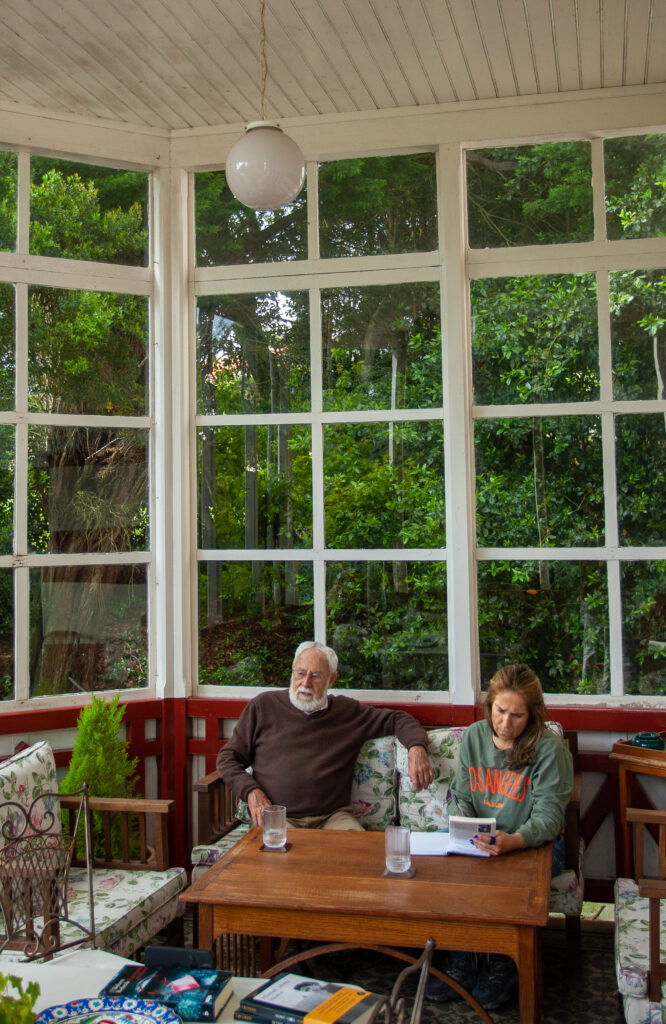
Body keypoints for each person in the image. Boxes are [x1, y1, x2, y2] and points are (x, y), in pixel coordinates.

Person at [425, 663, 573, 1011]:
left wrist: (512, 841)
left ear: (533, 715)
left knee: (506, 884)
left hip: (531, 846)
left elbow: (549, 818)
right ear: (489, 705)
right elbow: (461, 794)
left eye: (517, 716)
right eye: (500, 711)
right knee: (446, 874)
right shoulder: (475, 736)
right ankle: (462, 959)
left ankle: (501, 965)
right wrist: (467, 828)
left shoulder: (549, 750)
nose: (506, 723)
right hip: (480, 839)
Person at [216, 640, 434, 830]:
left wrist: (416, 747)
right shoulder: (263, 707)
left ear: (331, 680)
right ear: (292, 670)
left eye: (316, 676)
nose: (305, 683)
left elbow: (399, 719)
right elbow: (228, 758)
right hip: (279, 817)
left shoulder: (347, 712)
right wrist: (251, 791)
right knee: (277, 868)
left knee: (361, 860)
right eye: (300, 673)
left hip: (333, 819)